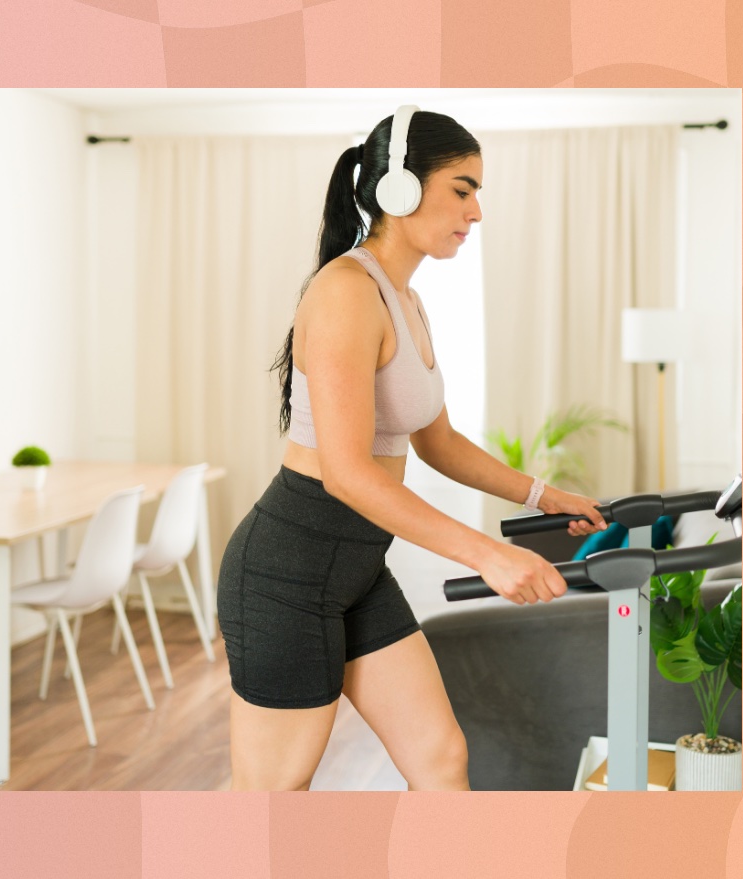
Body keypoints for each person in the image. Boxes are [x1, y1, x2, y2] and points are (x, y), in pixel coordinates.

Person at [216, 106, 609, 791]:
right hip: (287, 574)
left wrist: (546, 496)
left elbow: (439, 441)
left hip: (356, 569)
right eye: (462, 188)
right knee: (275, 796)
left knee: (439, 756)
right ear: (399, 188)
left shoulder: (405, 299)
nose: (476, 211)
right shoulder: (345, 292)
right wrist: (488, 553)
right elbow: (346, 474)